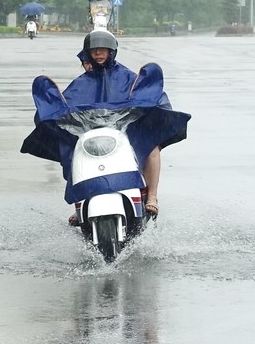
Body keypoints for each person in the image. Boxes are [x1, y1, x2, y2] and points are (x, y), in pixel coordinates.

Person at [63, 29, 175, 220]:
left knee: (153, 148)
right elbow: (66, 103)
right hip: (92, 133)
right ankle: (79, 201)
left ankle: (152, 196)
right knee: (71, 150)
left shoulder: (128, 77)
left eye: (103, 49)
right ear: (87, 53)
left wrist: (149, 109)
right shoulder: (81, 82)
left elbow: (148, 94)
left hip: (126, 131)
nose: (99, 53)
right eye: (95, 50)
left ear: (111, 51)